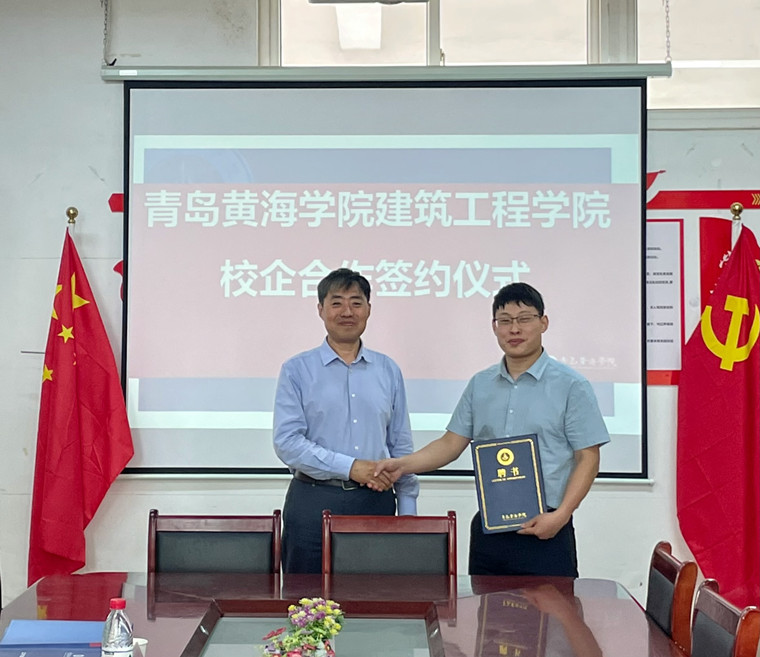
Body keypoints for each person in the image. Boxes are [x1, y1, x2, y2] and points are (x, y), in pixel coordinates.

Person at [371, 282, 609, 577]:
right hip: (490, 528)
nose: (514, 329)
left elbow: (588, 458)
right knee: (484, 607)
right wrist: (402, 465)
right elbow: (450, 444)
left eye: (524, 319)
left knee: (552, 608)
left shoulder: (571, 386)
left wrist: (561, 516)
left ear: (543, 322)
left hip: (546, 528)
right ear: (494, 327)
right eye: (505, 321)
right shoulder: (480, 384)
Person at [273, 268, 419, 574]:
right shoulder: (297, 370)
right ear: (321, 309)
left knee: (373, 597)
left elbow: (400, 445)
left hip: (375, 502)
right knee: (306, 600)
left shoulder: (388, 370)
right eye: (337, 302)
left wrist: (408, 512)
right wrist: (351, 467)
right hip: (312, 501)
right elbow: (287, 442)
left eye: (356, 302)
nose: (347, 312)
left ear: (368, 309)